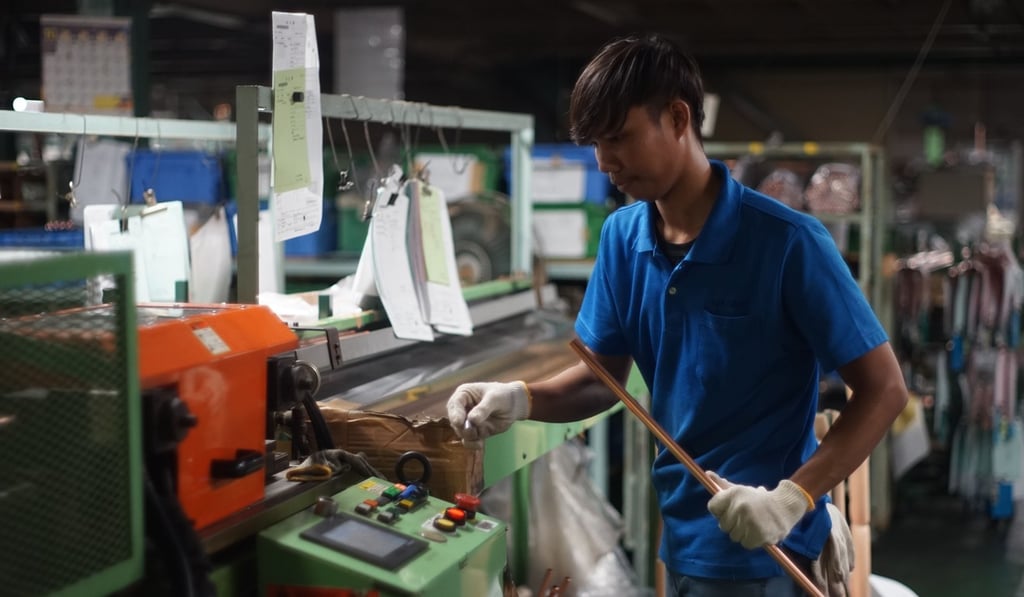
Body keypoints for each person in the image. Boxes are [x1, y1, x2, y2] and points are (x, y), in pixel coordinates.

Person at [447, 33, 908, 596]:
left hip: (770, 548)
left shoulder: (788, 243)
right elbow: (603, 381)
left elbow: (884, 390)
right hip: (685, 538)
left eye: (619, 137)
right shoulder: (622, 237)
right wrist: (518, 397)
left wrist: (792, 499)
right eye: (595, 143)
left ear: (678, 117)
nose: (604, 162)